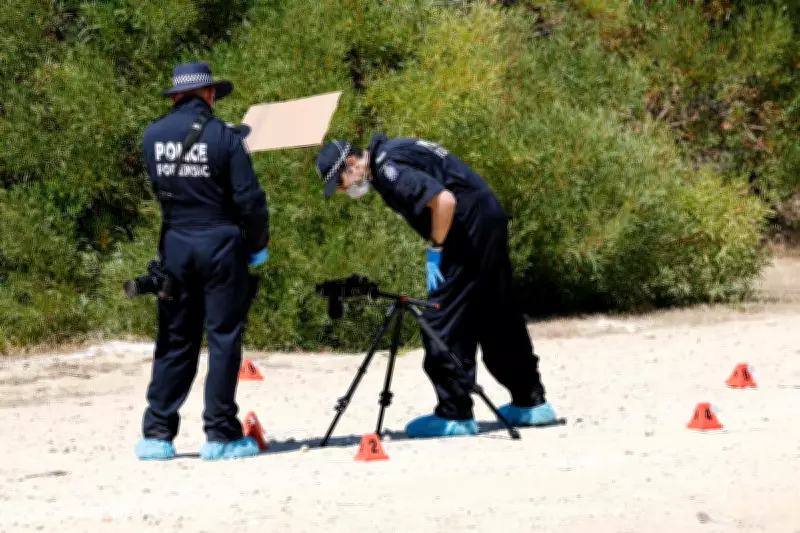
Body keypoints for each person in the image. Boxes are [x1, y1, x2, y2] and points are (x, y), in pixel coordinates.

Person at [314, 135, 558, 438]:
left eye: (340, 182)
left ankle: (455, 412)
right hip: (486, 219)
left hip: (466, 230)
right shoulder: (393, 150)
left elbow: (444, 200)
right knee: (495, 309)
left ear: (351, 163)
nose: (343, 190)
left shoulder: (387, 168)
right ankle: (531, 402)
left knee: (441, 318)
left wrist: (436, 248)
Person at [135, 62, 270, 461]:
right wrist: (257, 244)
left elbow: (162, 190)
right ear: (209, 94)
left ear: (175, 95)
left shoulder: (152, 135)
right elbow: (250, 201)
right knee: (223, 338)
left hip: (175, 244)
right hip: (220, 245)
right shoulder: (225, 137)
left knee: (176, 338)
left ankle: (157, 433)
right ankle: (221, 433)